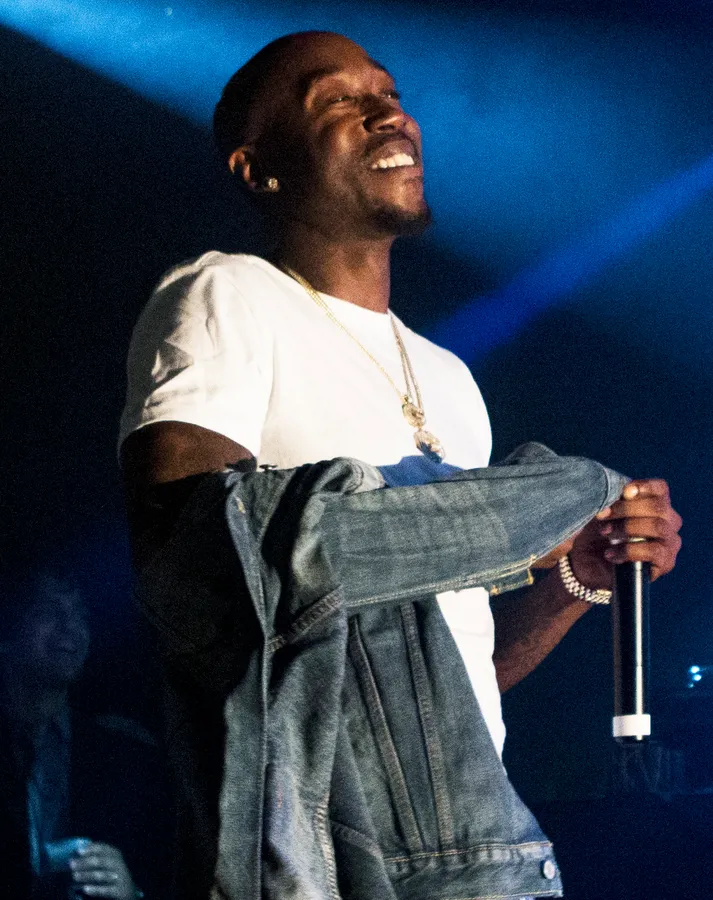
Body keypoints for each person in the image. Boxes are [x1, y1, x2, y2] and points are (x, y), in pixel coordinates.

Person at [118, 31, 682, 899]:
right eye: (338, 99)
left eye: (388, 92)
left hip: (469, 840)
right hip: (329, 850)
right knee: (566, 482)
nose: (387, 113)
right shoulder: (226, 294)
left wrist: (575, 575)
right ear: (256, 168)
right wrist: (536, 512)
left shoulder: (448, 377)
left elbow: (458, 679)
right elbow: (195, 558)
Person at [0, 562, 168, 900]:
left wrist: (130, 893)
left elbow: (163, 871)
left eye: (80, 613)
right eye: (49, 611)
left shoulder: (123, 755)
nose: (70, 627)